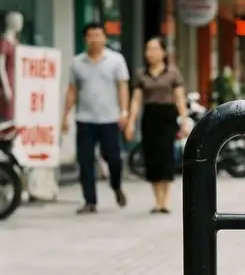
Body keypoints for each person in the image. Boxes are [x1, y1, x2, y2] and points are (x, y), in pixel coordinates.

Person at [61, 22, 130, 214]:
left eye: (99, 35)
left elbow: (122, 87)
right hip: (85, 119)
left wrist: (124, 111)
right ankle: (89, 200)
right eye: (91, 36)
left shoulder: (116, 60)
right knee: (85, 161)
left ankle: (116, 186)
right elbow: (72, 91)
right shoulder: (77, 63)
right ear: (85, 39)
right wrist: (65, 116)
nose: (95, 39)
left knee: (114, 158)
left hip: (109, 119)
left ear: (105, 38)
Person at [125, 37, 189, 213]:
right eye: (148, 49)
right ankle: (157, 199)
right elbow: (136, 100)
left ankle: (165, 200)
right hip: (150, 117)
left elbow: (179, 98)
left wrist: (184, 120)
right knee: (151, 157)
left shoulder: (172, 73)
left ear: (163, 52)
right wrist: (131, 121)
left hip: (167, 117)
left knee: (166, 156)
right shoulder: (141, 74)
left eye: (154, 49)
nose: (150, 53)